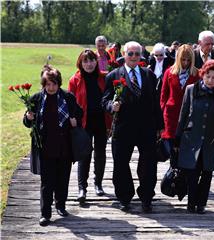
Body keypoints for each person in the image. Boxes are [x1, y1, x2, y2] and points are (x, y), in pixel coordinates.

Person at [102, 41, 163, 213]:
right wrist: (110, 106)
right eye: (131, 54)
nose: (134, 57)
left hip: (146, 127)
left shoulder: (149, 75)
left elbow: (156, 102)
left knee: (149, 164)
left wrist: (160, 126)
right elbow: (104, 99)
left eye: (137, 54)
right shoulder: (113, 76)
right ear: (124, 54)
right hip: (123, 127)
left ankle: (146, 198)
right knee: (120, 163)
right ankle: (124, 197)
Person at [23, 65, 82, 226]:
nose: (51, 87)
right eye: (48, 84)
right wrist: (29, 117)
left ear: (59, 83)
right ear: (43, 84)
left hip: (65, 146)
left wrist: (75, 120)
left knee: (63, 179)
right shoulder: (36, 99)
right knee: (47, 182)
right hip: (45, 147)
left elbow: (79, 113)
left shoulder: (67, 97)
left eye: (54, 84)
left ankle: (61, 206)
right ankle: (45, 213)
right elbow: (27, 122)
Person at [175, 59, 214, 214]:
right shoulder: (191, 90)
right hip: (191, 139)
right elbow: (183, 115)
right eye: (208, 76)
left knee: (206, 174)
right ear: (203, 75)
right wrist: (177, 139)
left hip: (211, 141)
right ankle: (191, 203)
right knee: (192, 173)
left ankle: (201, 204)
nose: (211, 80)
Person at [68, 49, 112, 204]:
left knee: (100, 153)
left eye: (92, 60)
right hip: (83, 123)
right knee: (84, 155)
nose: (89, 64)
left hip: (101, 121)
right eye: (85, 61)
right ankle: (82, 188)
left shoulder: (105, 77)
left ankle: (98, 183)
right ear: (81, 63)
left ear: (96, 61)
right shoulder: (75, 80)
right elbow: (70, 102)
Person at [160, 44, 199, 161]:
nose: (186, 62)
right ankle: (173, 174)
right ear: (178, 58)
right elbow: (163, 95)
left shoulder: (197, 74)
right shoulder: (169, 72)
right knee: (172, 150)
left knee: (185, 149)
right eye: (183, 59)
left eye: (188, 60)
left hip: (188, 117)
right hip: (170, 116)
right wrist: (161, 116)